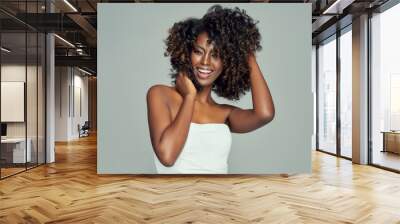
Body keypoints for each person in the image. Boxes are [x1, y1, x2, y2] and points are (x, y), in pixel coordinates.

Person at [146, 5, 275, 174]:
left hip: (218, 198)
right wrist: (190, 97)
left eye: (216, 55)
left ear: (228, 61)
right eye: (198, 52)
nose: (205, 62)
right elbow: (167, 156)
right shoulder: (160, 95)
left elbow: (265, 114)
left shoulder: (224, 113)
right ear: (186, 54)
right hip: (176, 198)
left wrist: (246, 52)